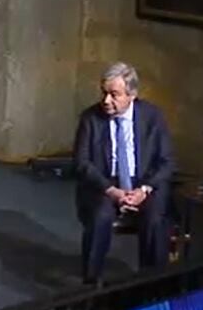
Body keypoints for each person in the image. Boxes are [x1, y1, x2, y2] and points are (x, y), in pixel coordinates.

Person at [73, 61, 175, 284]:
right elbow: (81, 163)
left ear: (132, 95)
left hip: (144, 183)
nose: (106, 100)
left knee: (155, 218)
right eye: (104, 93)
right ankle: (90, 282)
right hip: (105, 184)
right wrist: (112, 191)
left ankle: (152, 282)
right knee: (101, 216)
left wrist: (144, 189)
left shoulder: (153, 117)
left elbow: (167, 162)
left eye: (114, 94)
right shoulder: (90, 118)